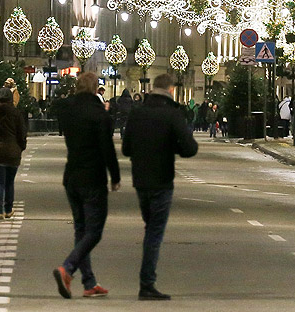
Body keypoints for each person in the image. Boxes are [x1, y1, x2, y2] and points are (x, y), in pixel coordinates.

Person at [122, 72, 199, 301]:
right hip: (162, 179)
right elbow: (189, 148)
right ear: (171, 90)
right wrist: (171, 147)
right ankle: (147, 283)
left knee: (150, 228)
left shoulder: (137, 113)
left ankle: (147, 280)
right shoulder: (172, 114)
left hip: (141, 179)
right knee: (154, 232)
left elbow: (126, 149)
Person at [52, 72, 120, 299]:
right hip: (92, 177)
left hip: (71, 176)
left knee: (81, 230)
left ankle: (89, 282)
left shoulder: (69, 111)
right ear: (94, 89)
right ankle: (68, 268)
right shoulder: (98, 113)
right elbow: (106, 147)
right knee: (95, 231)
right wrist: (115, 175)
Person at [0, 86, 27, 219]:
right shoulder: (16, 113)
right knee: (9, 182)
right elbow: (22, 133)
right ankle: (8, 209)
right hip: (12, 150)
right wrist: (20, 147)